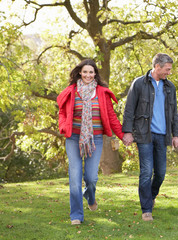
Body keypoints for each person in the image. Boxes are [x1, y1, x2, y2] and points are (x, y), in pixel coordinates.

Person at [57, 59, 124, 225]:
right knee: (74, 177)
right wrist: (64, 127)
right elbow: (62, 113)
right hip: (73, 138)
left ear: (95, 74)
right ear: (80, 72)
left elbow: (111, 117)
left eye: (91, 72)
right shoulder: (71, 91)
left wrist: (123, 135)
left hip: (95, 139)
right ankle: (76, 216)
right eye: (85, 72)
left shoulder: (101, 92)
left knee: (91, 177)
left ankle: (90, 194)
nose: (88, 75)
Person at [122, 53, 178, 221]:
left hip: (163, 136)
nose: (169, 73)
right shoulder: (139, 83)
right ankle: (146, 208)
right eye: (167, 69)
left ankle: (151, 196)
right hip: (143, 134)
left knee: (161, 173)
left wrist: (176, 134)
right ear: (157, 67)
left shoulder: (170, 87)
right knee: (146, 171)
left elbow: (174, 113)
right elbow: (129, 109)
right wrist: (127, 131)